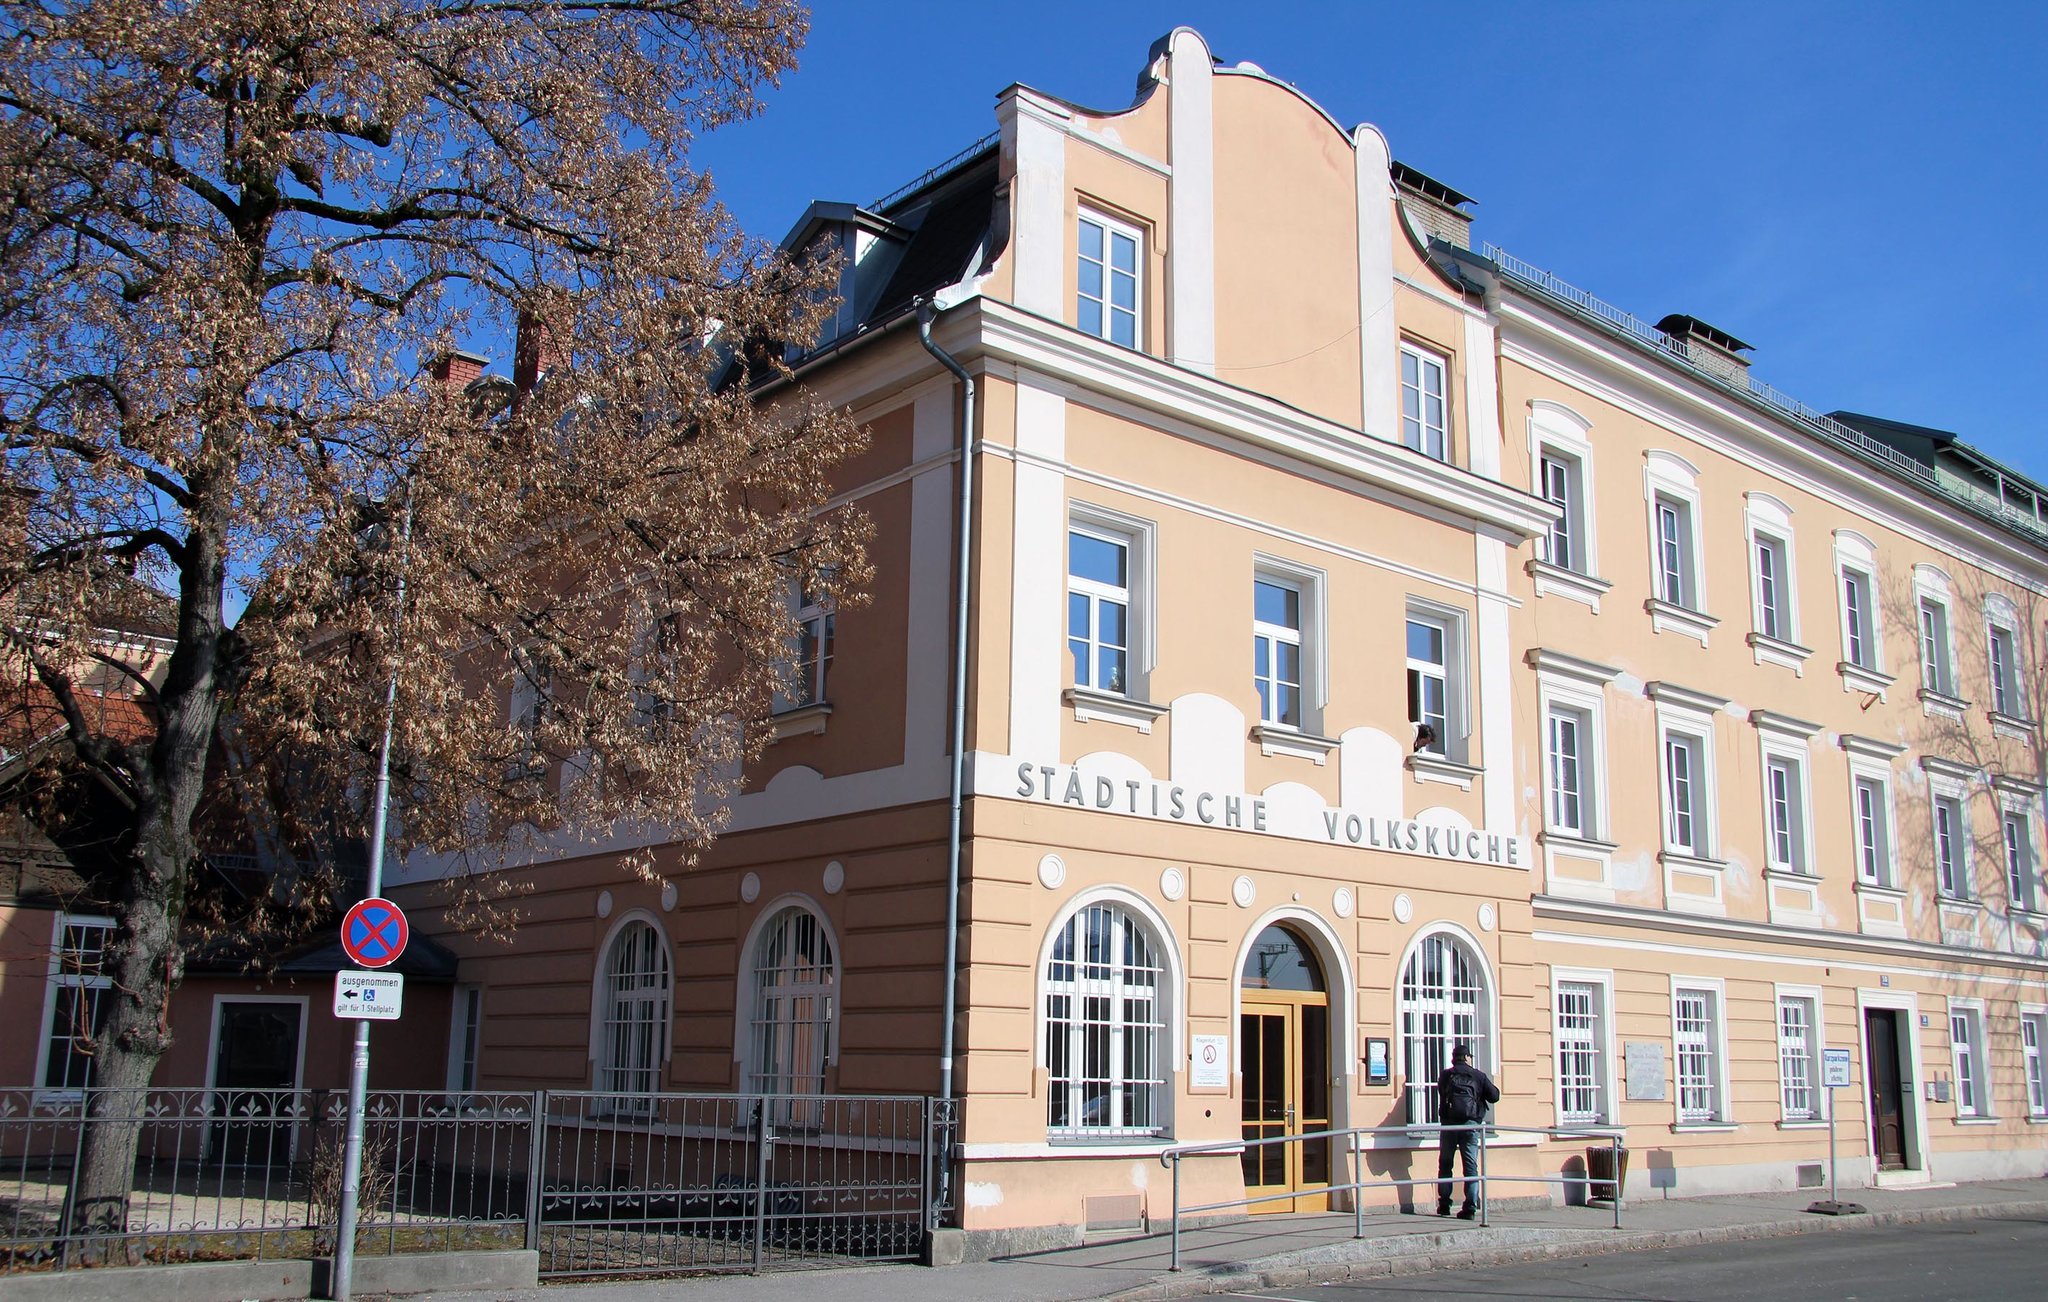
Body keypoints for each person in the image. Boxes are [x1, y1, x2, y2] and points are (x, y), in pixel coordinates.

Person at [1435, 1042, 1499, 1219]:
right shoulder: (1478, 1075)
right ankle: (1470, 1207)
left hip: (1449, 1125)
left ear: (1453, 1059)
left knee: (1446, 1164)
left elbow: (1441, 1093)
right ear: (1468, 1058)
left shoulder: (1446, 1075)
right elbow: (1494, 1097)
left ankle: (1444, 1205)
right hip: (1471, 1125)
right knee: (1470, 1166)